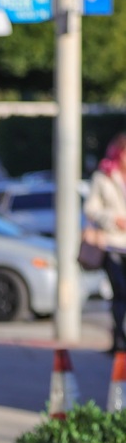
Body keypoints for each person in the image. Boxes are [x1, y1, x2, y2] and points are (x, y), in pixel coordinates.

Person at [83, 133, 126, 352]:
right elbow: (90, 209)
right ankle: (118, 338)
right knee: (120, 292)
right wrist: (112, 219)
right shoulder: (104, 177)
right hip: (112, 243)